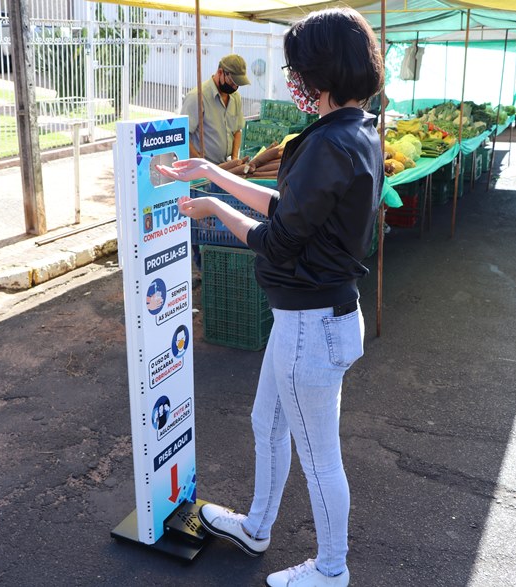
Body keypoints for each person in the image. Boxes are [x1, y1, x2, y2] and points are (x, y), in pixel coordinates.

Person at [159, 8, 383, 586]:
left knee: (319, 456)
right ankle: (256, 526)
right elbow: (289, 210)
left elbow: (277, 241)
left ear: (322, 69)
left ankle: (331, 570)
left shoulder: (331, 142)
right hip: (308, 321)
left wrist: (212, 206)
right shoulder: (354, 131)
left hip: (312, 324)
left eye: (299, 67)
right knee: (268, 422)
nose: (293, 78)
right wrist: (212, 171)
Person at [180, 54, 250, 164]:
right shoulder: (197, 97)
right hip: (201, 169)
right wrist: (200, 162)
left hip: (225, 166)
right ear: (220, 72)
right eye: (232, 82)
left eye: (237, 84)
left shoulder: (235, 97)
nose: (234, 87)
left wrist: (235, 157)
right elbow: (182, 135)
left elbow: (237, 130)